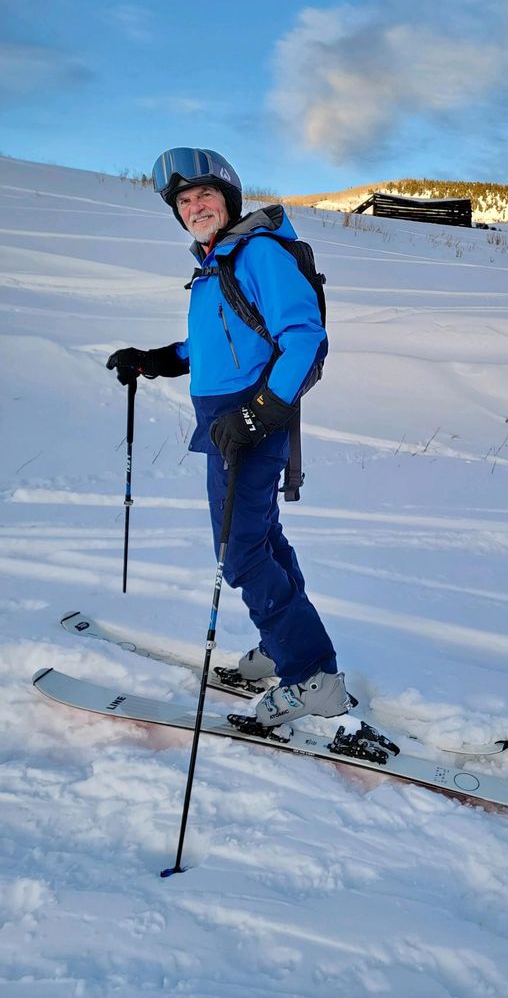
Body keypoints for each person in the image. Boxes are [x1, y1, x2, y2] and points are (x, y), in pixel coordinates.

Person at [106, 147, 350, 728]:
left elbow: (304, 338)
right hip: (229, 422)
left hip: (251, 422)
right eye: (184, 202)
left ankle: (313, 676)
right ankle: (282, 643)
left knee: (239, 554)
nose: (195, 207)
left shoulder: (258, 253)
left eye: (204, 196)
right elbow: (215, 347)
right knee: (261, 538)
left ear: (228, 199)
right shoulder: (218, 264)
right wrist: (157, 360)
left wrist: (257, 413)